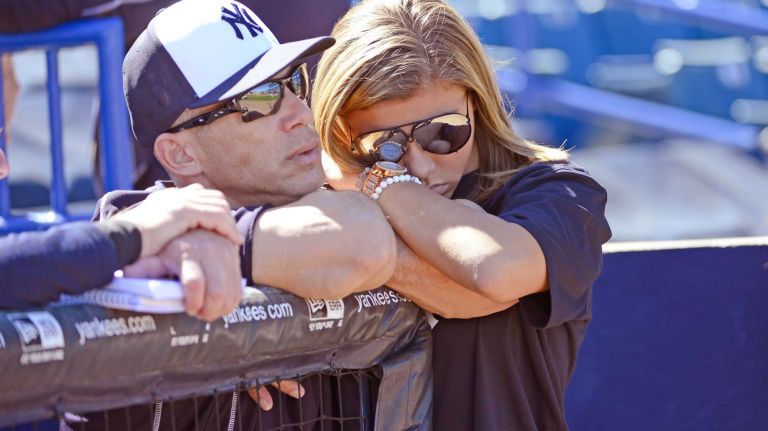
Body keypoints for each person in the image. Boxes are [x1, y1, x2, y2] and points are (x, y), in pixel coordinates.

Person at [88, 0, 396, 428]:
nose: (299, 113)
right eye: (260, 98)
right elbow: (364, 245)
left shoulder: (306, 200)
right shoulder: (131, 225)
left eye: (293, 82)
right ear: (179, 152)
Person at [311, 0, 612, 429]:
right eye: (386, 144)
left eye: (443, 132)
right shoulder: (313, 201)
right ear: (342, 133)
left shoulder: (559, 194)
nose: (420, 167)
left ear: (478, 102)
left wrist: (375, 186)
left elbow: (494, 269)